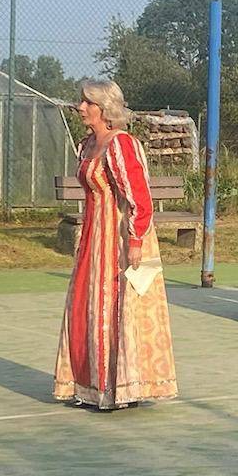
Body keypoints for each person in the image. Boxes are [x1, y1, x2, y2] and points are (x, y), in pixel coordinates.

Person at [53, 79, 177, 409]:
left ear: (104, 108)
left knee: (114, 306)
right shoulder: (87, 145)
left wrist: (135, 241)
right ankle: (90, 385)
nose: (80, 107)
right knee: (85, 305)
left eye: (88, 102)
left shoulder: (121, 144)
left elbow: (140, 198)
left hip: (118, 239)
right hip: (93, 237)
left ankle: (118, 388)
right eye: (81, 101)